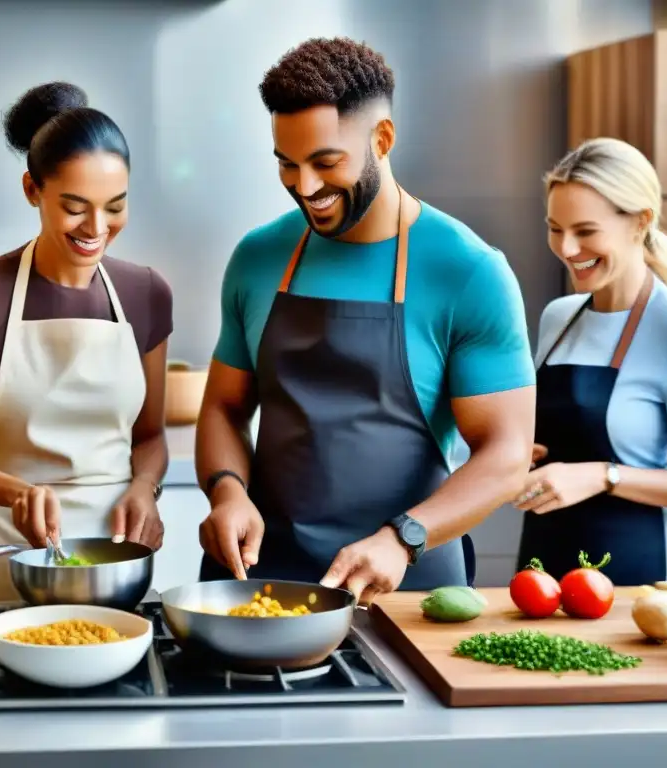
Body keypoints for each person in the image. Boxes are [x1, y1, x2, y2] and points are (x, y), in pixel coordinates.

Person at [195, 38, 536, 602]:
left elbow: (506, 453)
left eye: (326, 162)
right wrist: (228, 492)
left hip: (404, 589)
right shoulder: (257, 258)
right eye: (287, 164)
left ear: (382, 139)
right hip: (258, 579)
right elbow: (224, 407)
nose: (304, 188)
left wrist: (402, 539)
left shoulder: (468, 271)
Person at [0, 82, 173, 603]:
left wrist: (143, 490)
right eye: (75, 207)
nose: (97, 227)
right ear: (32, 190)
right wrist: (17, 492)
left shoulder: (146, 293)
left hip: (114, 555)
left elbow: (149, 437)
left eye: (115, 207)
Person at [514, 137, 667, 587]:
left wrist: (602, 476)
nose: (567, 248)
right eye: (555, 228)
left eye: (585, 231)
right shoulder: (559, 317)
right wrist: (519, 456)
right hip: (544, 564)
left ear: (639, 222)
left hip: (641, 571)